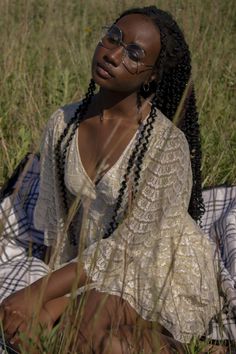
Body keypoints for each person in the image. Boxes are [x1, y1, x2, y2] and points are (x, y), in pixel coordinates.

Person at [0, 6, 223, 353]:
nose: (114, 54)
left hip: (157, 267)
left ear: (151, 76)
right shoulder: (62, 123)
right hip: (91, 265)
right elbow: (59, 221)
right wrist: (49, 290)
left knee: (86, 326)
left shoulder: (166, 146)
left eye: (135, 54)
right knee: (27, 331)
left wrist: (44, 296)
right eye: (113, 37)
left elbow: (130, 249)